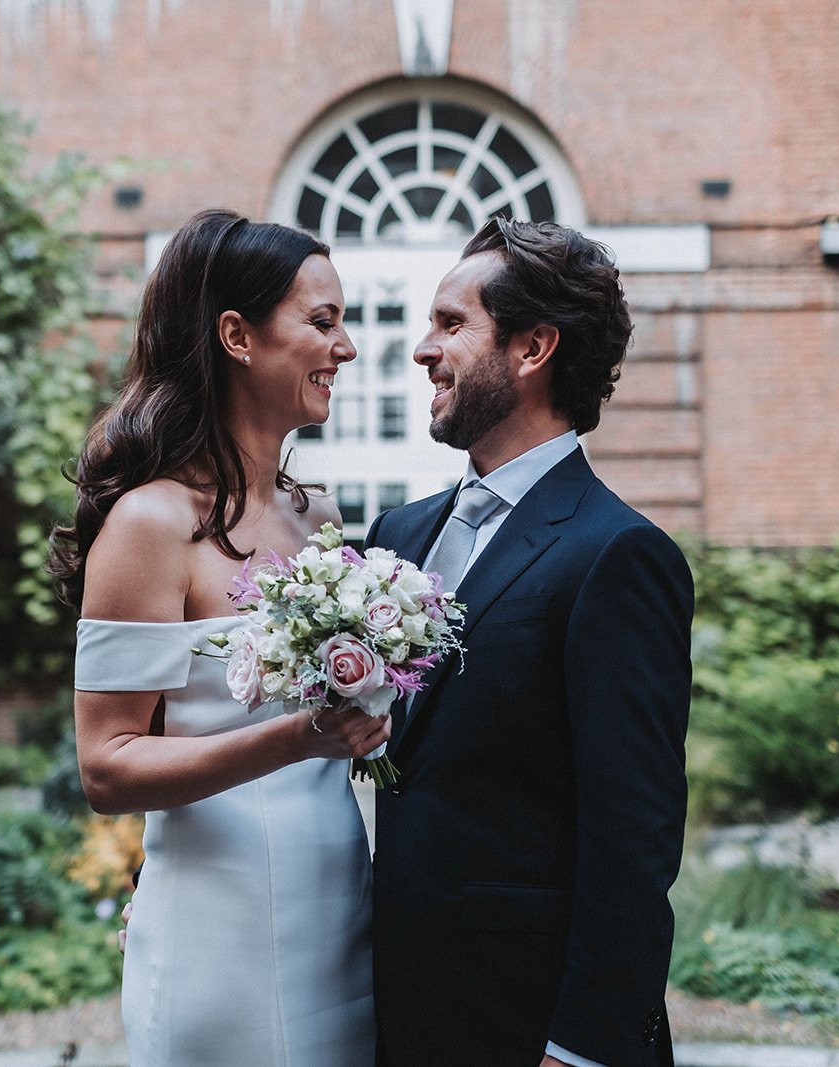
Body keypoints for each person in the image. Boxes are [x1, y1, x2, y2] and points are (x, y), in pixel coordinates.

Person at [48, 208, 387, 1066]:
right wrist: (297, 736)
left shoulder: (319, 517)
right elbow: (108, 764)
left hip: (336, 899)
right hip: (219, 916)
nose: (345, 347)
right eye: (322, 321)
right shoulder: (150, 523)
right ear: (237, 334)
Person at [366, 217, 694, 1066]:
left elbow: (634, 837)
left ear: (532, 347)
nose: (421, 349)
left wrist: (581, 1046)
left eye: (450, 323)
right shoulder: (395, 538)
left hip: (531, 1024)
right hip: (399, 1010)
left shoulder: (618, 555)